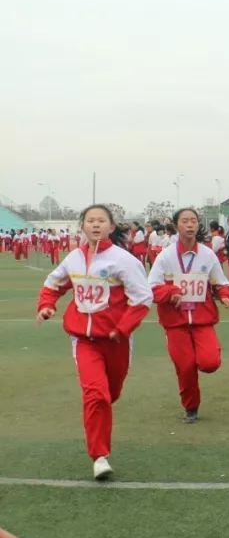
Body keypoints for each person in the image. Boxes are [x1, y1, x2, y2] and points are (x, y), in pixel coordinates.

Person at [36, 204, 152, 480]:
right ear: (83, 226)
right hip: (84, 341)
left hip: (117, 342)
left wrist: (122, 328)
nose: (96, 225)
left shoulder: (123, 260)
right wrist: (46, 305)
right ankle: (99, 457)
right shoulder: (73, 259)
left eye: (101, 221)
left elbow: (143, 298)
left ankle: (100, 418)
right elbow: (53, 284)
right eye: (90, 221)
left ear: (112, 227)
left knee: (111, 394)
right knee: (96, 394)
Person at [148, 208, 229, 423]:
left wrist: (224, 294)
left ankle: (202, 354)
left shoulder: (207, 254)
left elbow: (220, 281)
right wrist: (171, 292)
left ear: (198, 225)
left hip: (202, 319)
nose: (189, 225)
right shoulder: (165, 256)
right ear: (176, 226)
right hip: (175, 322)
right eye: (185, 221)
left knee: (210, 363)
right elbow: (150, 288)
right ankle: (191, 407)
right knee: (185, 367)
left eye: (193, 221)